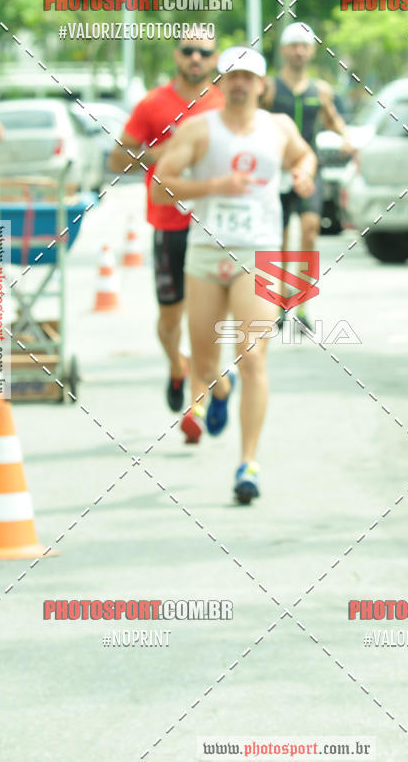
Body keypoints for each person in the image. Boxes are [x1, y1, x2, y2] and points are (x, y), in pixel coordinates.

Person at [152, 46, 317, 503]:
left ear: (263, 85)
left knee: (254, 356)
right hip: (205, 253)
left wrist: (303, 174)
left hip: (259, 253)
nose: (241, 84)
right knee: (204, 364)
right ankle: (218, 390)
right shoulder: (197, 130)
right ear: (220, 83)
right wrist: (213, 186)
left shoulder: (278, 128)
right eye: (233, 76)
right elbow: (160, 189)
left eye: (249, 77)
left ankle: (248, 464)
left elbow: (305, 157)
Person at [109, 34, 223, 413]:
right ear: (177, 55)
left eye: (204, 52)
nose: (196, 58)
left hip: (217, 224)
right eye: (189, 51)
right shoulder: (153, 103)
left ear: (214, 58)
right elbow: (115, 161)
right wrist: (159, 151)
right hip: (169, 223)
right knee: (171, 317)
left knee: (212, 313)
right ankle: (177, 364)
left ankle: (211, 380)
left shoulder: (224, 102)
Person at [261, 22, 349, 329]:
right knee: (278, 236)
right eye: (293, 45)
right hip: (276, 170)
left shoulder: (321, 90)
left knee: (310, 229)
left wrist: (347, 138)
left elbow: (335, 120)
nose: (299, 51)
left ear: (311, 52)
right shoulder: (269, 88)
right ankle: (278, 303)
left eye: (305, 46)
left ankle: (301, 305)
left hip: (310, 167)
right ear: (284, 50)